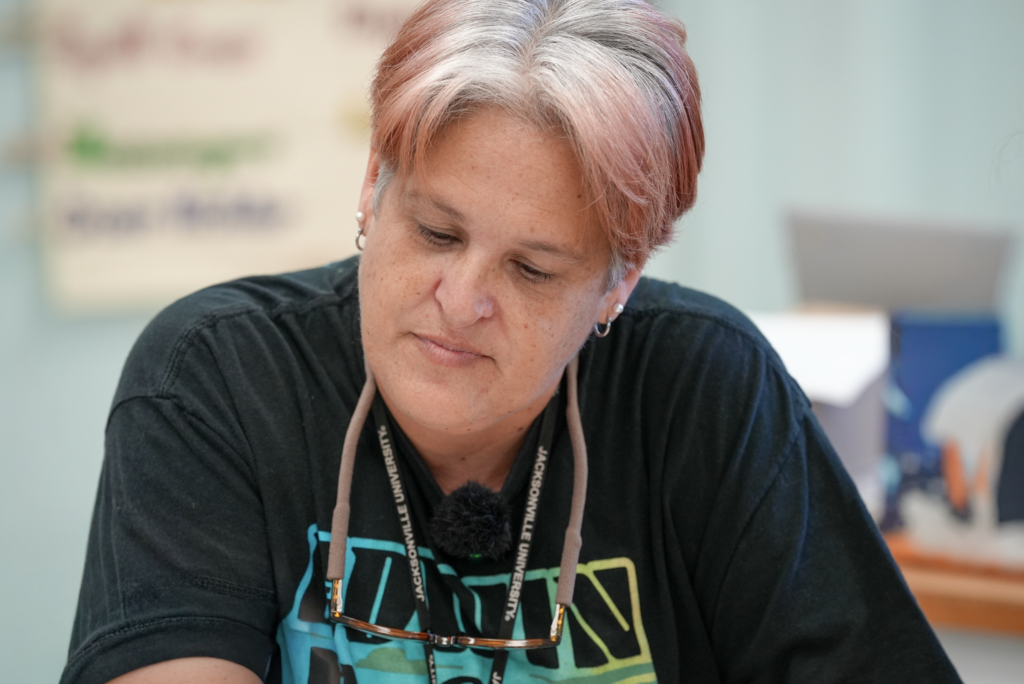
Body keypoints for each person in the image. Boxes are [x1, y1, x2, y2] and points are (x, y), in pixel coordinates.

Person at [63, 1, 961, 682]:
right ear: (375, 185)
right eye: (437, 234)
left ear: (620, 281)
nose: (460, 301)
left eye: (533, 270)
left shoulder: (704, 391)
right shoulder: (215, 380)